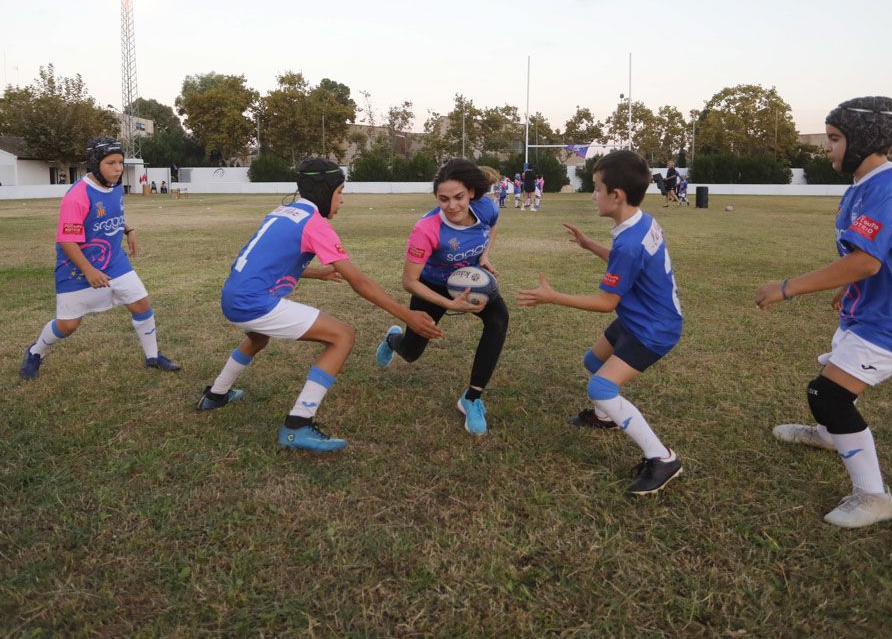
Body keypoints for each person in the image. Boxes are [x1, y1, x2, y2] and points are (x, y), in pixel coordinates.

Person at [755, 96, 892, 528]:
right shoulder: (870, 181)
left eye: (835, 138)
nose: (828, 148)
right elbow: (878, 251)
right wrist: (850, 287)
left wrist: (787, 288)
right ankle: (830, 435)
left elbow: (867, 260)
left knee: (829, 394)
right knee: (832, 379)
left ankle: (874, 497)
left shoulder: (887, 187)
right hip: (878, 304)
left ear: (863, 140)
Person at [196, 158, 443, 452]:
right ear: (325, 191)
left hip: (233, 297)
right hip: (254, 303)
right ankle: (298, 424)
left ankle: (216, 393)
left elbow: (268, 261)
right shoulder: (315, 224)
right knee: (343, 335)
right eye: (340, 192)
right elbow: (359, 282)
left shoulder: (281, 212)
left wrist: (317, 273)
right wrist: (407, 315)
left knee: (257, 337)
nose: (342, 200)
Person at [517, 150, 684, 495]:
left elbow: (607, 302)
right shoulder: (642, 222)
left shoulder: (630, 242)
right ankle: (606, 416)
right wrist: (590, 244)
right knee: (592, 361)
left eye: (596, 188)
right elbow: (628, 266)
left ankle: (663, 458)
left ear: (616, 195)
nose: (593, 195)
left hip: (653, 329)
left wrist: (553, 296)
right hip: (640, 316)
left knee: (601, 387)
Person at [20, 137, 181, 380]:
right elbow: (67, 240)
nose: (118, 169)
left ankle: (153, 356)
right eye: (111, 163)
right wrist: (88, 270)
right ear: (95, 164)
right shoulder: (78, 195)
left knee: (141, 304)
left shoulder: (114, 186)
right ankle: (35, 352)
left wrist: (128, 229)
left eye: (120, 162)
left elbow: (106, 215)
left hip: (114, 260)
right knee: (68, 325)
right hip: (77, 267)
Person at [374, 159, 509, 436]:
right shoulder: (426, 229)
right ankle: (392, 338)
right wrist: (449, 304)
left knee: (498, 321)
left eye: (458, 197)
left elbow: (493, 226)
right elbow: (409, 282)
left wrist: (484, 255)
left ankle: (471, 398)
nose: (452, 206)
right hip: (432, 287)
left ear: (471, 192)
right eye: (443, 199)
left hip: (470, 281)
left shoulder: (486, 208)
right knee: (411, 353)